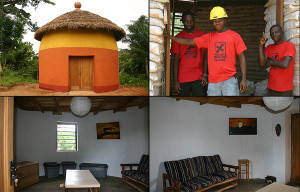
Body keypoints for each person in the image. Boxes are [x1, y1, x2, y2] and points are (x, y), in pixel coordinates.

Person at [164, 6, 247, 96]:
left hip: (230, 80)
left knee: (231, 106)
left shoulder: (235, 36)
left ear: (225, 20)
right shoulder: (208, 37)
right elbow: (189, 41)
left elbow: (242, 58)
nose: (217, 23)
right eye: (215, 21)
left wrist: (244, 78)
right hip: (213, 82)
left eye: (220, 20)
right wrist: (169, 36)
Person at [171, 11, 208, 96]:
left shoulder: (202, 35)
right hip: (183, 77)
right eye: (186, 21)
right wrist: (175, 80)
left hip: (198, 76)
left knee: (201, 101)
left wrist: (205, 74)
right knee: (183, 102)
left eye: (191, 21)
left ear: (194, 20)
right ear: (182, 21)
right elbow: (175, 60)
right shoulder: (177, 38)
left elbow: (206, 56)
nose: (189, 23)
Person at [258, 24, 296, 96]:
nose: (274, 34)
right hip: (271, 87)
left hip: (284, 88)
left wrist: (271, 62)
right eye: (272, 33)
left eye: (276, 32)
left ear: (282, 33)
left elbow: (285, 64)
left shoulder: (289, 45)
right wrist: (260, 45)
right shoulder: (269, 47)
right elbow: (262, 64)